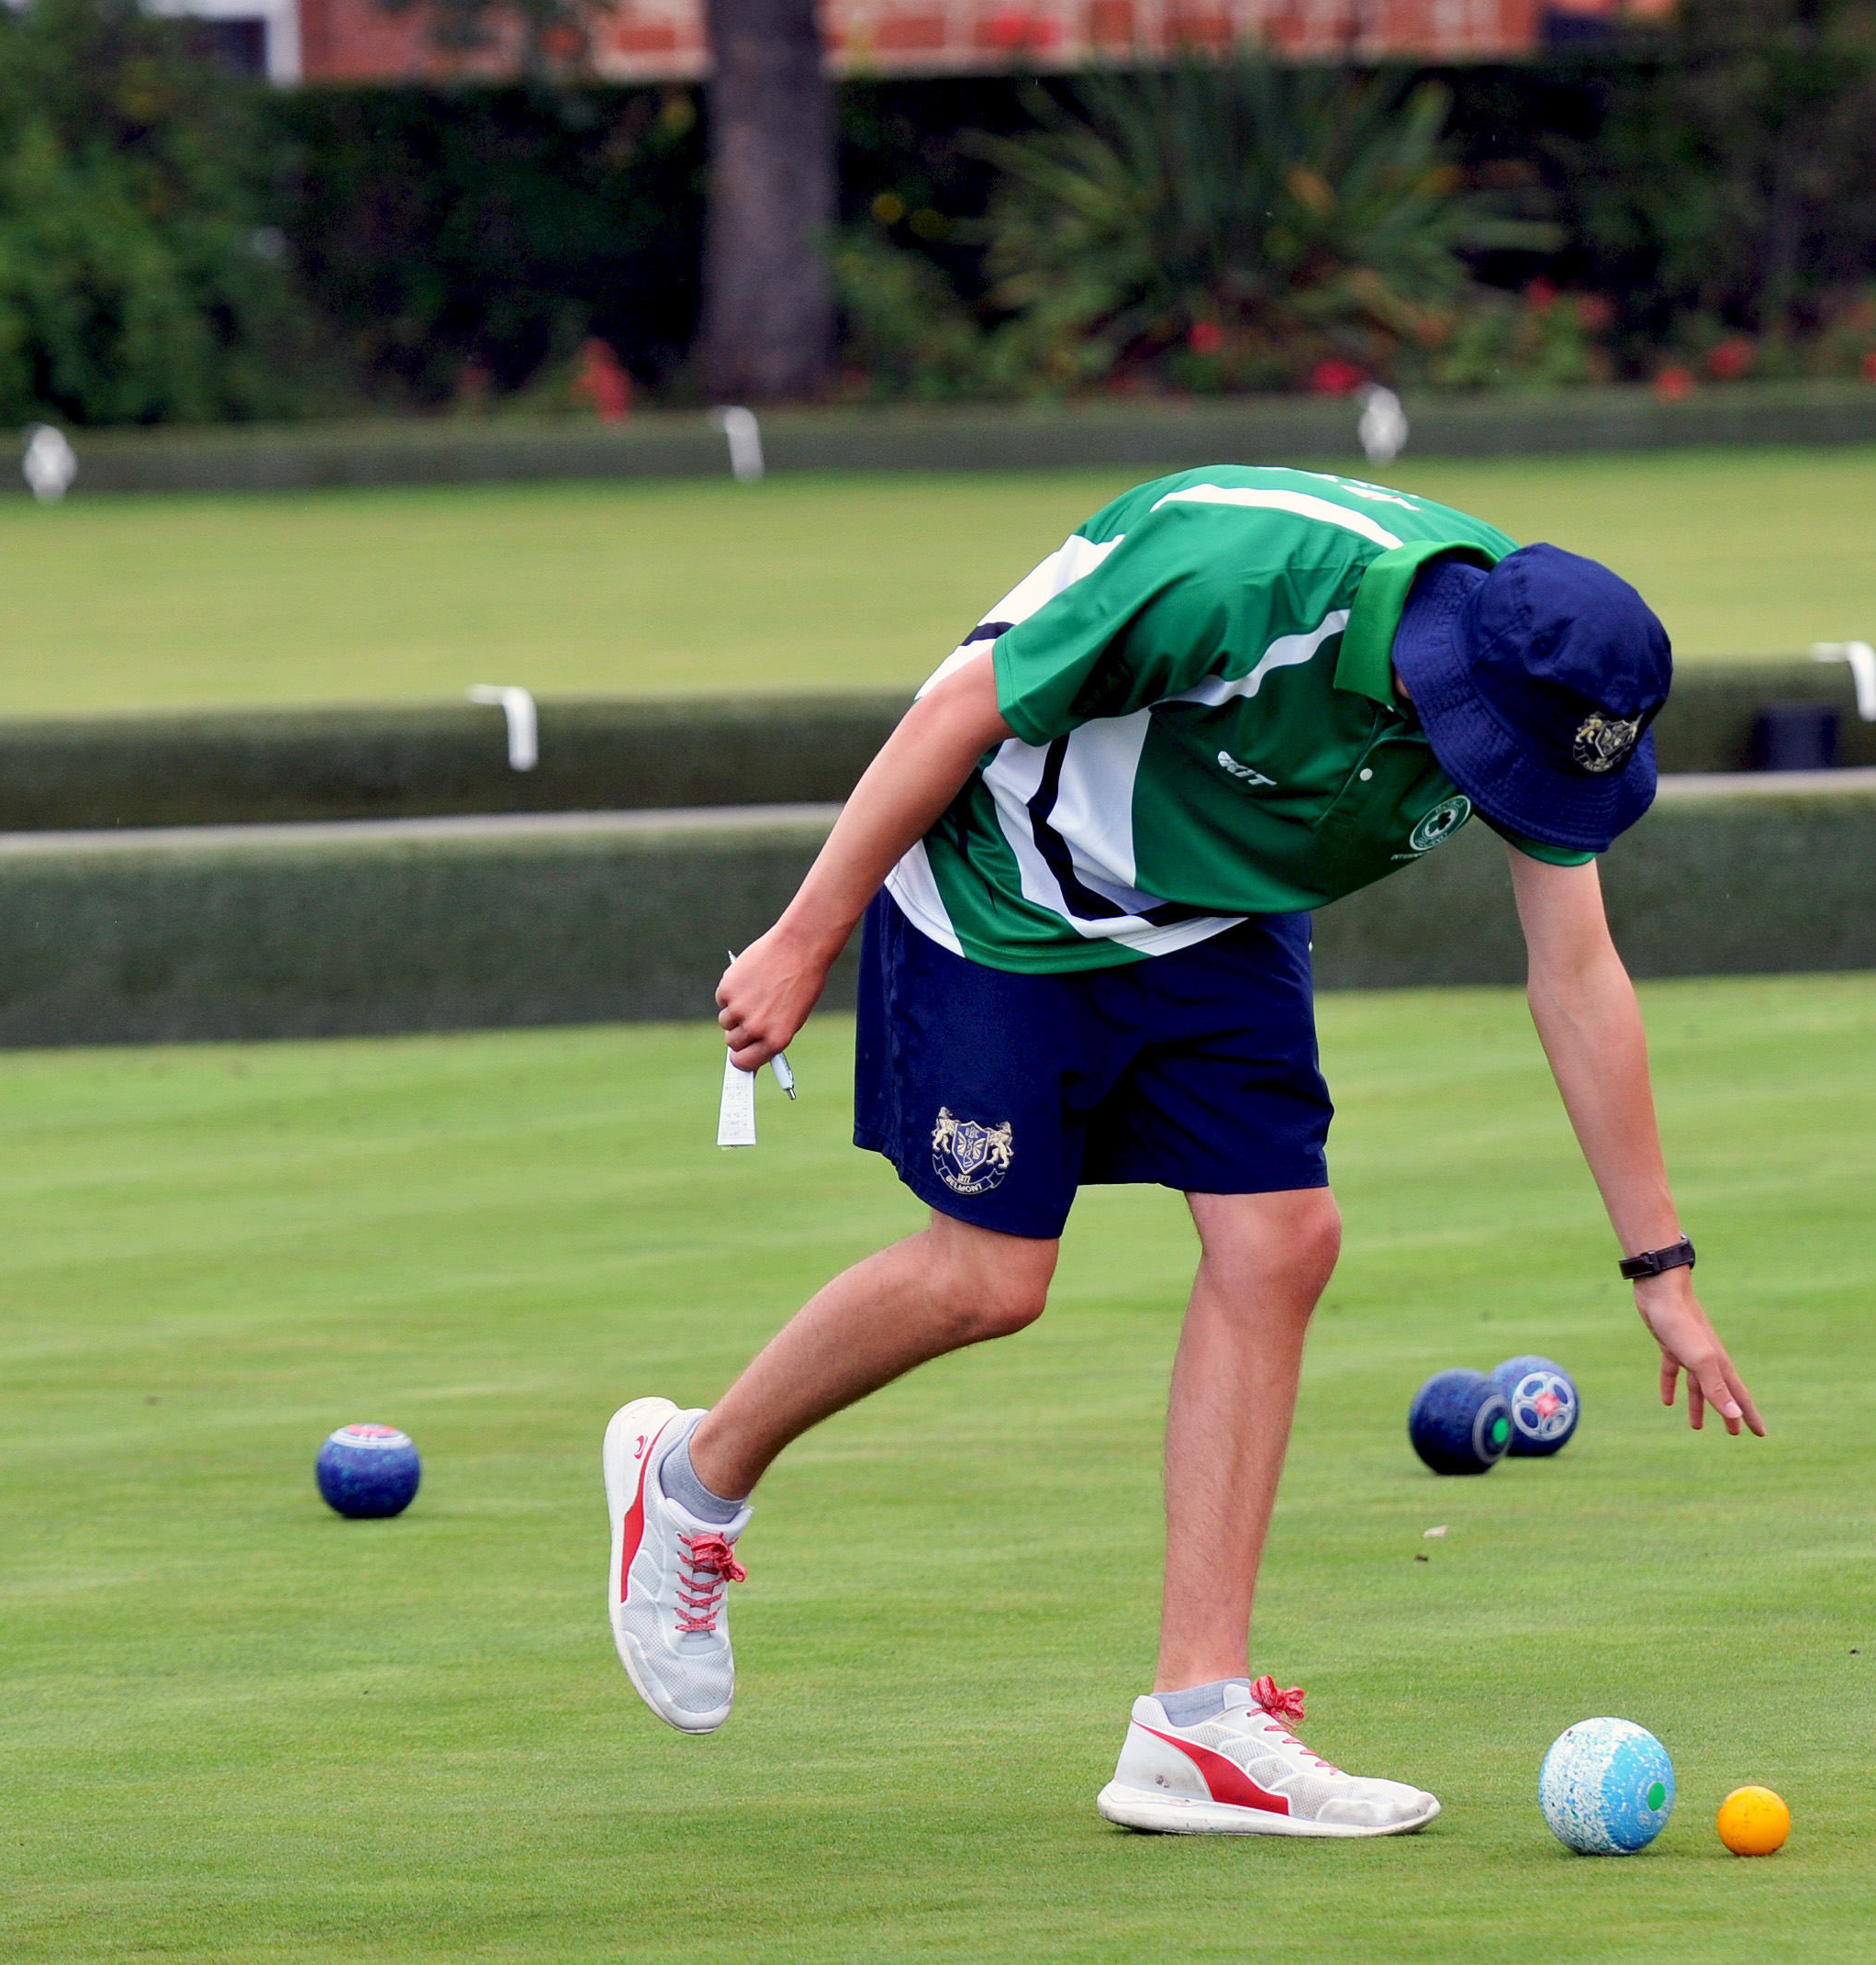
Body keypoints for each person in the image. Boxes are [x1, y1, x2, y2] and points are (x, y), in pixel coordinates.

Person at [602, 463, 1765, 1836]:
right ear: (1447, 685)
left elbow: (1576, 972)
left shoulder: (1545, 682)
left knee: (1282, 1238)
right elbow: (962, 703)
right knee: (989, 1278)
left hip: (1212, 908)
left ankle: (1194, 1720)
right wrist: (806, 937)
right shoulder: (1241, 581)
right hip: (1006, 884)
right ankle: (686, 1481)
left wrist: (1659, 1267)